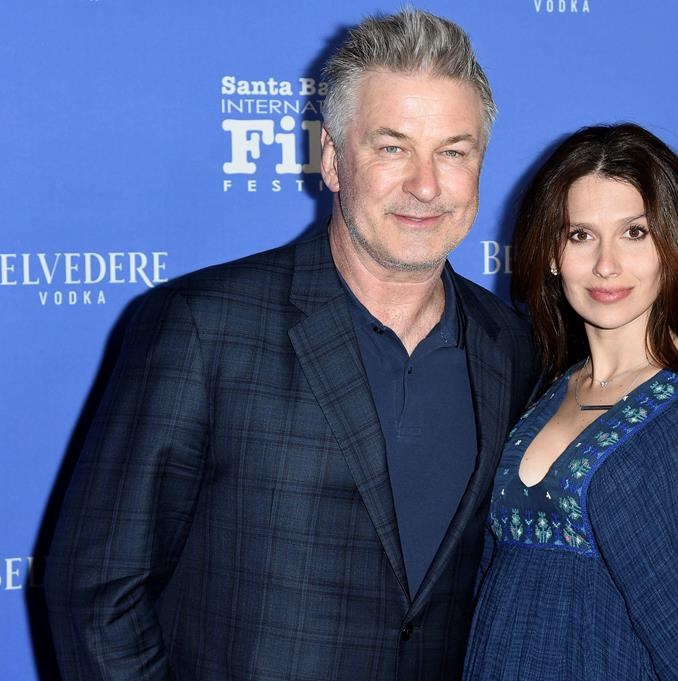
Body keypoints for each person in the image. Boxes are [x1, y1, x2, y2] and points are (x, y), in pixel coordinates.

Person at [44, 9, 536, 681]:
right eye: (392, 147)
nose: (426, 185)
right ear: (332, 159)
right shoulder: (201, 325)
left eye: (453, 151)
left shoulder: (512, 344)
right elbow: (97, 592)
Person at [463, 124, 678, 680]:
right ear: (552, 254)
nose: (606, 264)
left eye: (634, 233)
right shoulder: (541, 392)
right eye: (580, 236)